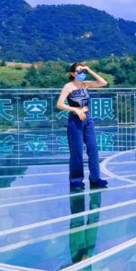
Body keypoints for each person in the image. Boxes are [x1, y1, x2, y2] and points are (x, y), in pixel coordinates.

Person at [56, 62, 109, 191]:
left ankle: (95, 178)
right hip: (75, 119)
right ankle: (76, 180)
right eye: (79, 71)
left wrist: (89, 70)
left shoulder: (86, 84)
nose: (82, 73)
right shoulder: (68, 86)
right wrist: (75, 109)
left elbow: (103, 83)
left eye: (83, 71)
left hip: (87, 118)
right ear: (73, 73)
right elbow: (60, 104)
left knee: (93, 148)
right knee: (77, 151)